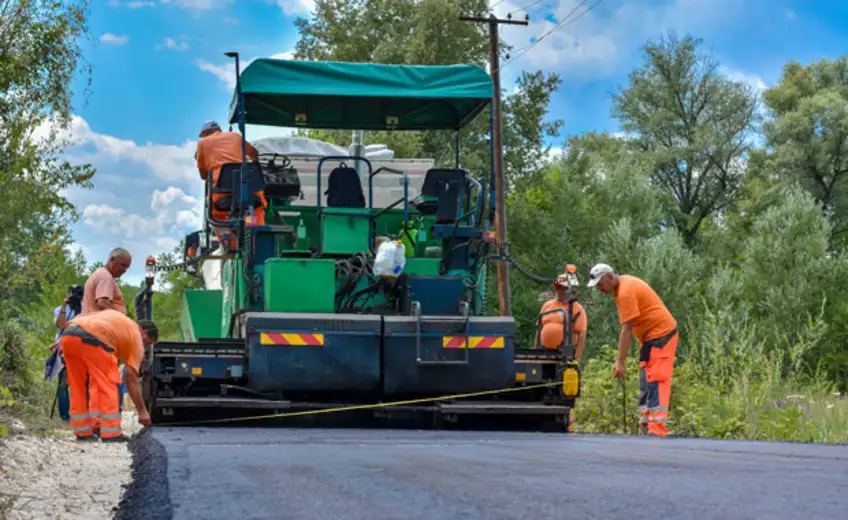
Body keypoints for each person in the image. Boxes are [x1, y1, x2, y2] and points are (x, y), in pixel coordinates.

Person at [587, 263, 679, 437]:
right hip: (649, 338)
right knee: (645, 380)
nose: (599, 288)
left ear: (610, 277)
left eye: (600, 284)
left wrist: (620, 362)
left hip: (662, 334)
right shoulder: (621, 287)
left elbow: (627, 330)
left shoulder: (625, 291)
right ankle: (645, 427)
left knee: (657, 380)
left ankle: (657, 431)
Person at [57, 310, 157, 442]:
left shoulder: (117, 322)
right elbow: (131, 378)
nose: (144, 347)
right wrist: (142, 411)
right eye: (147, 343)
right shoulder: (136, 336)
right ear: (144, 332)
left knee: (77, 385)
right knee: (109, 384)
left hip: (68, 335)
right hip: (94, 339)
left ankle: (82, 431)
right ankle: (111, 433)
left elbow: (83, 319)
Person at [195, 120, 266, 247]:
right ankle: (255, 238)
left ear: (204, 133)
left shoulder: (202, 144)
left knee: (217, 213)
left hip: (222, 194)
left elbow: (203, 175)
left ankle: (228, 244)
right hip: (249, 190)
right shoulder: (235, 136)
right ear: (219, 129)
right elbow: (254, 154)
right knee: (255, 209)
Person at [534, 267, 587, 363]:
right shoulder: (547, 305)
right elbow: (539, 330)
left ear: (569, 289)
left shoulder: (576, 308)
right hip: (544, 352)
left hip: (565, 355)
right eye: (558, 288)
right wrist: (535, 352)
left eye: (563, 288)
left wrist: (577, 357)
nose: (560, 290)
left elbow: (582, 335)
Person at [52, 285, 84, 422]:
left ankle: (80, 413)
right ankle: (65, 416)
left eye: (78, 293)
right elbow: (60, 325)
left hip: (81, 351)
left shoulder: (86, 310)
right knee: (63, 384)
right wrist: (65, 306)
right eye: (72, 293)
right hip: (63, 350)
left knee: (81, 383)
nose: (75, 296)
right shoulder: (60, 309)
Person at [81, 248, 131, 315]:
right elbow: (103, 302)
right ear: (112, 260)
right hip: (100, 320)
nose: (124, 270)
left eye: (127, 267)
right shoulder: (106, 277)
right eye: (123, 265)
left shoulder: (100, 273)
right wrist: (117, 317)